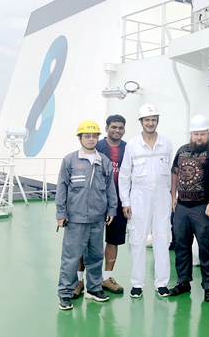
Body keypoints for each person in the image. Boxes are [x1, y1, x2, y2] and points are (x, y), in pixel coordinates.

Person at [56, 120, 117, 310]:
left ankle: (94, 289)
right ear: (80, 138)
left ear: (98, 138)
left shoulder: (104, 161)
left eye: (94, 136)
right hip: (75, 219)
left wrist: (112, 209)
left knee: (95, 256)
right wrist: (61, 213)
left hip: (98, 219)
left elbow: (110, 188)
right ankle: (65, 293)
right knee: (71, 257)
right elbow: (62, 188)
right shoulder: (70, 160)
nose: (91, 139)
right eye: (87, 136)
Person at [169, 114, 209, 302]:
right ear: (191, 134)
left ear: (208, 133)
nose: (199, 137)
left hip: (203, 208)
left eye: (202, 134)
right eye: (196, 134)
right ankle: (183, 282)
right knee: (181, 246)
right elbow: (175, 173)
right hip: (182, 207)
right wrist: (173, 196)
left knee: (206, 247)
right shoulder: (182, 151)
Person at [119, 104, 173, 298]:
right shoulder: (132, 145)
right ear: (141, 122)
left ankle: (162, 283)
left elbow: (171, 174)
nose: (151, 123)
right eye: (147, 120)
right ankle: (137, 284)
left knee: (162, 238)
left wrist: (171, 196)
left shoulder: (166, 144)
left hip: (162, 196)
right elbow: (124, 176)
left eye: (154, 119)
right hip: (139, 197)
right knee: (138, 239)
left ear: (157, 121)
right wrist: (125, 201)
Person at [73, 114, 127, 298]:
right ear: (106, 129)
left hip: (118, 202)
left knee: (113, 240)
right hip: (94, 201)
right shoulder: (97, 147)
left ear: (124, 130)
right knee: (85, 241)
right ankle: (79, 280)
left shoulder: (128, 149)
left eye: (120, 127)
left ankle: (106, 278)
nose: (117, 130)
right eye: (114, 127)